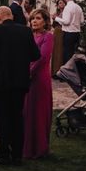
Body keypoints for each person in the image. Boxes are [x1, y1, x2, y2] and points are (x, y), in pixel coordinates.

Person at [0, 6, 41, 166]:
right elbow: (35, 55)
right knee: (17, 117)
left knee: (2, 118)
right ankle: (17, 155)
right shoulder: (25, 31)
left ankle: (4, 154)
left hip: (0, 83)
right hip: (20, 81)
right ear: (11, 16)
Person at [23, 9, 54, 159]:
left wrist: (29, 72)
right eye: (32, 19)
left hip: (40, 78)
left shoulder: (48, 37)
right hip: (26, 77)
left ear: (45, 21)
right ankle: (27, 147)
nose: (34, 21)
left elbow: (42, 58)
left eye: (38, 18)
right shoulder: (29, 36)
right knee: (27, 111)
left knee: (39, 112)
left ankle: (40, 149)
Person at [55, 0, 84, 64]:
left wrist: (56, 18)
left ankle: (67, 73)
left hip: (68, 34)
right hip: (77, 33)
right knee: (74, 54)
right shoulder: (78, 7)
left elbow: (66, 22)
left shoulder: (67, 7)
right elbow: (82, 21)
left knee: (67, 55)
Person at [51, 0, 66, 75]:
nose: (61, 4)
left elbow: (64, 22)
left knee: (59, 51)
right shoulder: (57, 12)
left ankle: (59, 71)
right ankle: (54, 71)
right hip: (56, 31)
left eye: (62, 2)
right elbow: (53, 25)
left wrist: (56, 18)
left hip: (61, 31)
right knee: (55, 50)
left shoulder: (65, 12)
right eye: (59, 3)